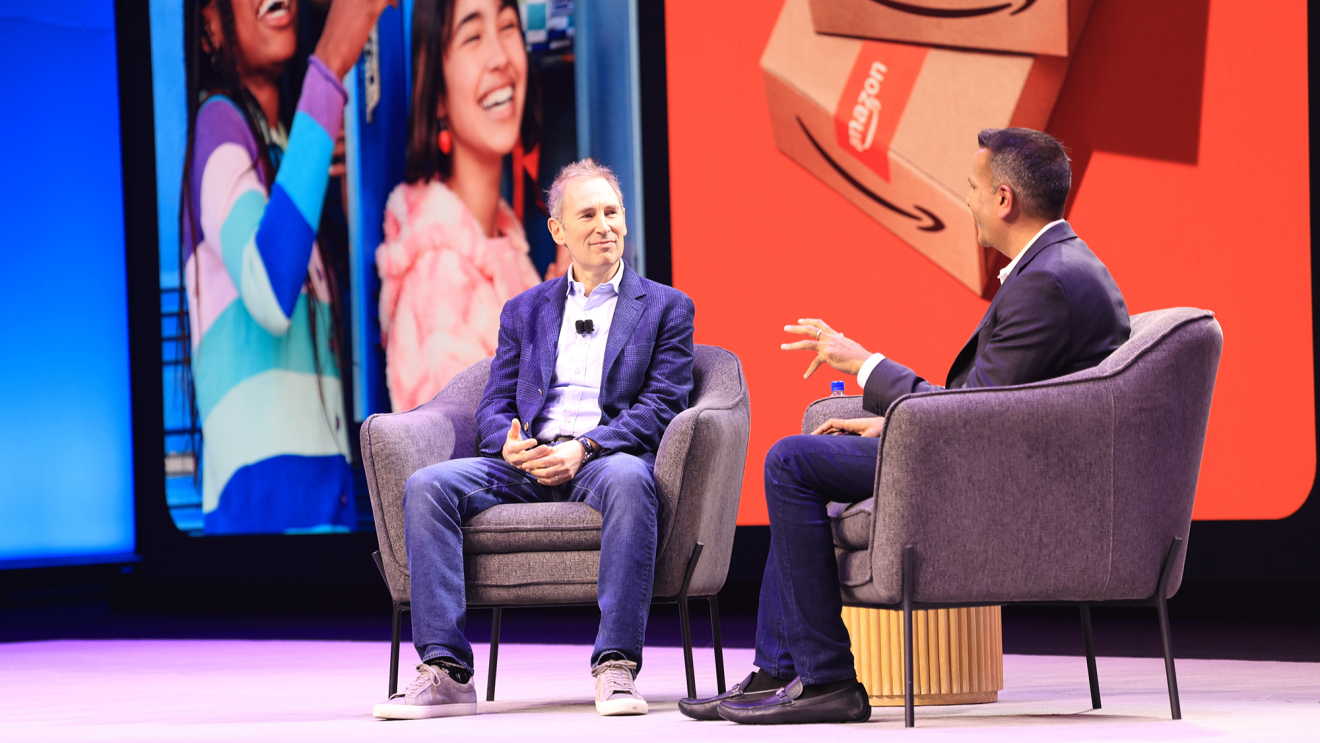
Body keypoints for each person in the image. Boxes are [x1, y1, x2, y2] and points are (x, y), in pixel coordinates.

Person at [680, 128, 1130, 724]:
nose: (965, 201)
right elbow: (987, 402)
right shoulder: (1057, 265)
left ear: (1003, 200)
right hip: (993, 453)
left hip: (999, 476)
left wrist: (862, 363)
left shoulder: (1047, 282)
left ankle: (824, 679)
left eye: (971, 188)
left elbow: (973, 417)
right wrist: (890, 427)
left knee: (791, 462)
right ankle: (779, 671)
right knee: (804, 461)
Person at [372, 160, 696, 720]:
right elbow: (494, 403)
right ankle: (446, 672)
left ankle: (616, 666)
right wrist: (508, 444)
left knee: (630, 480)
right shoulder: (525, 310)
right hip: (526, 460)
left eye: (612, 212)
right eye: (588, 215)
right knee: (427, 485)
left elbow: (662, 407)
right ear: (558, 231)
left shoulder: (666, 307)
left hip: (603, 457)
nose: (604, 226)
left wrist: (586, 448)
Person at [179, 0, 393, 534]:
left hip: (318, 517)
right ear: (207, 27)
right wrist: (328, 68)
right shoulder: (217, 122)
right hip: (263, 528)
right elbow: (271, 290)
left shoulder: (287, 154)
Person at [376, 0, 570, 414]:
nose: (499, 57)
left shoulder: (502, 244)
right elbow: (472, 468)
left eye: (507, 26)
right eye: (472, 36)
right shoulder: (438, 278)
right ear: (438, 95)